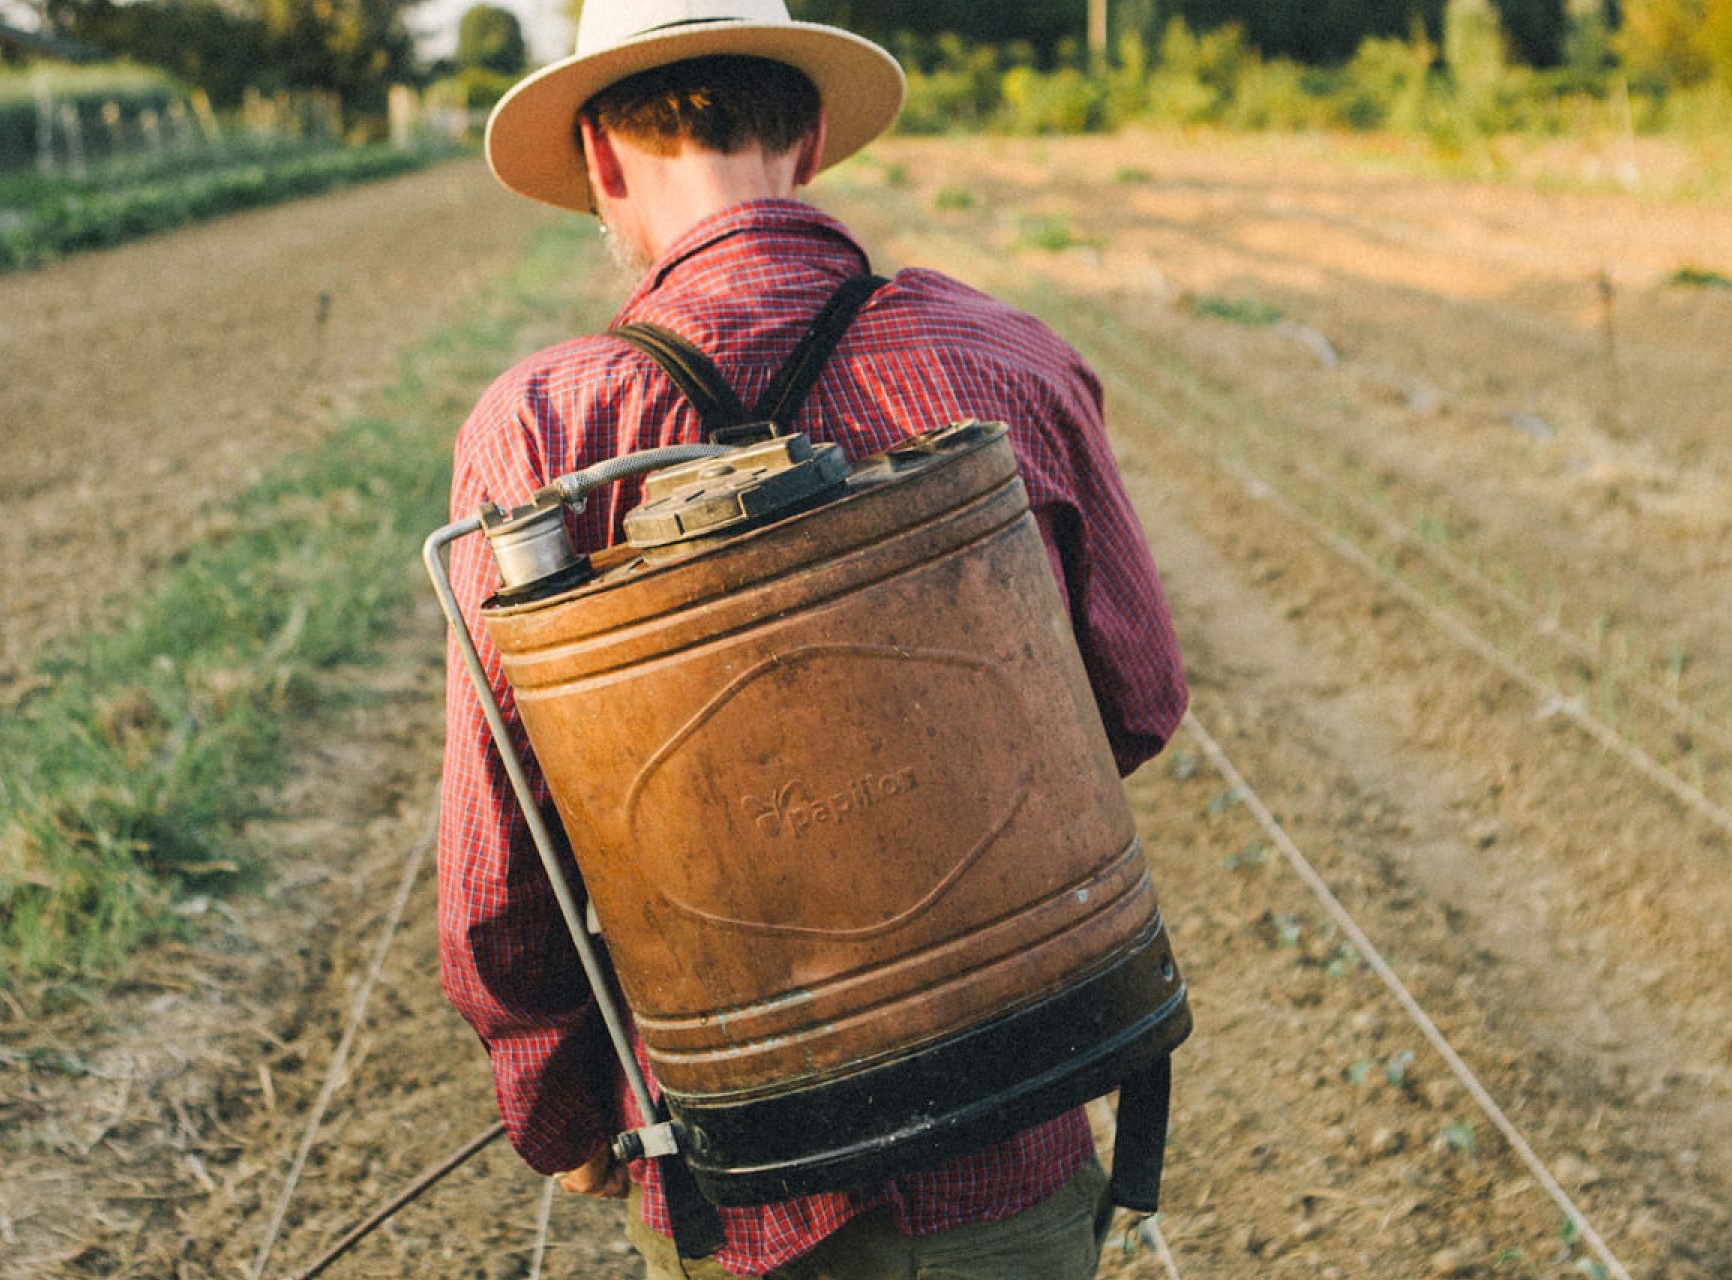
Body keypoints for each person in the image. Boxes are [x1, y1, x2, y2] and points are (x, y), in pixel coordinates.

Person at [437, 2, 1189, 1276]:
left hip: (740, 1177)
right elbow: (1137, 698)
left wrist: (565, 1112)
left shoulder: (541, 437)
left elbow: (502, 889)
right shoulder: (1004, 357)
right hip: (1014, 1124)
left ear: (602, 162)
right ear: (818, 131)